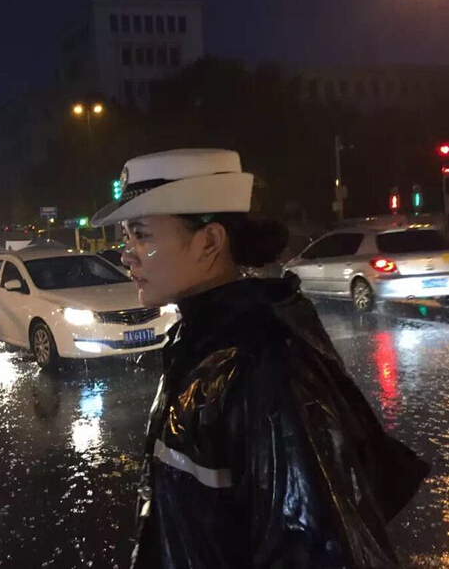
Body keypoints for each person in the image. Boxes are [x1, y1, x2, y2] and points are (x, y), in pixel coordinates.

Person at [90, 149, 428, 569]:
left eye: (141, 235)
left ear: (209, 242)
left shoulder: (260, 361)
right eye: (127, 237)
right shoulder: (200, 340)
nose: (127, 253)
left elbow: (313, 548)